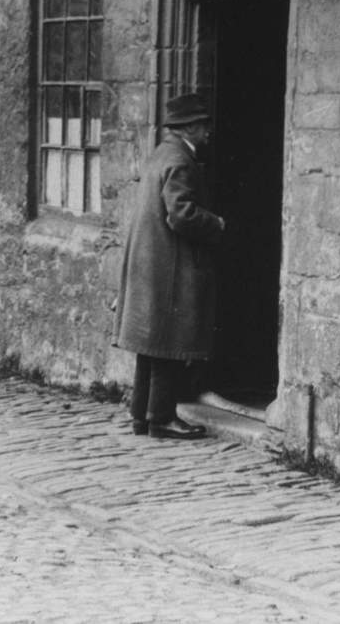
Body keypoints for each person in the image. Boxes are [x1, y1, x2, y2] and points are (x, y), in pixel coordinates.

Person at [112, 93, 226, 440]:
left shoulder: (162, 154)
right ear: (190, 127)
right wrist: (217, 224)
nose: (208, 133)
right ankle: (161, 418)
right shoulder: (180, 160)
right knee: (169, 344)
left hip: (151, 261)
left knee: (151, 344)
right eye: (204, 126)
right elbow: (180, 214)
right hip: (169, 263)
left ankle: (141, 415)